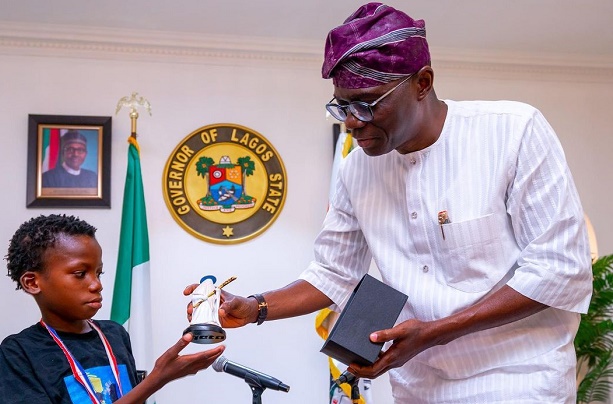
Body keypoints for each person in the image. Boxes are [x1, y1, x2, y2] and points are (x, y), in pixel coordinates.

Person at [185, 3, 593, 403]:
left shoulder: (513, 131)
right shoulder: (355, 171)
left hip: (518, 379)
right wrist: (254, 307)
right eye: (342, 106)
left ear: (422, 83)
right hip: (416, 385)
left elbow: (559, 270)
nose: (351, 121)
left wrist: (433, 331)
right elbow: (334, 273)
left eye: (367, 102)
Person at [1, 214, 225, 403]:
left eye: (98, 273)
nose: (96, 284)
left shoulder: (114, 334)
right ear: (32, 282)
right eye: (80, 274)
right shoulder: (17, 352)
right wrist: (157, 379)